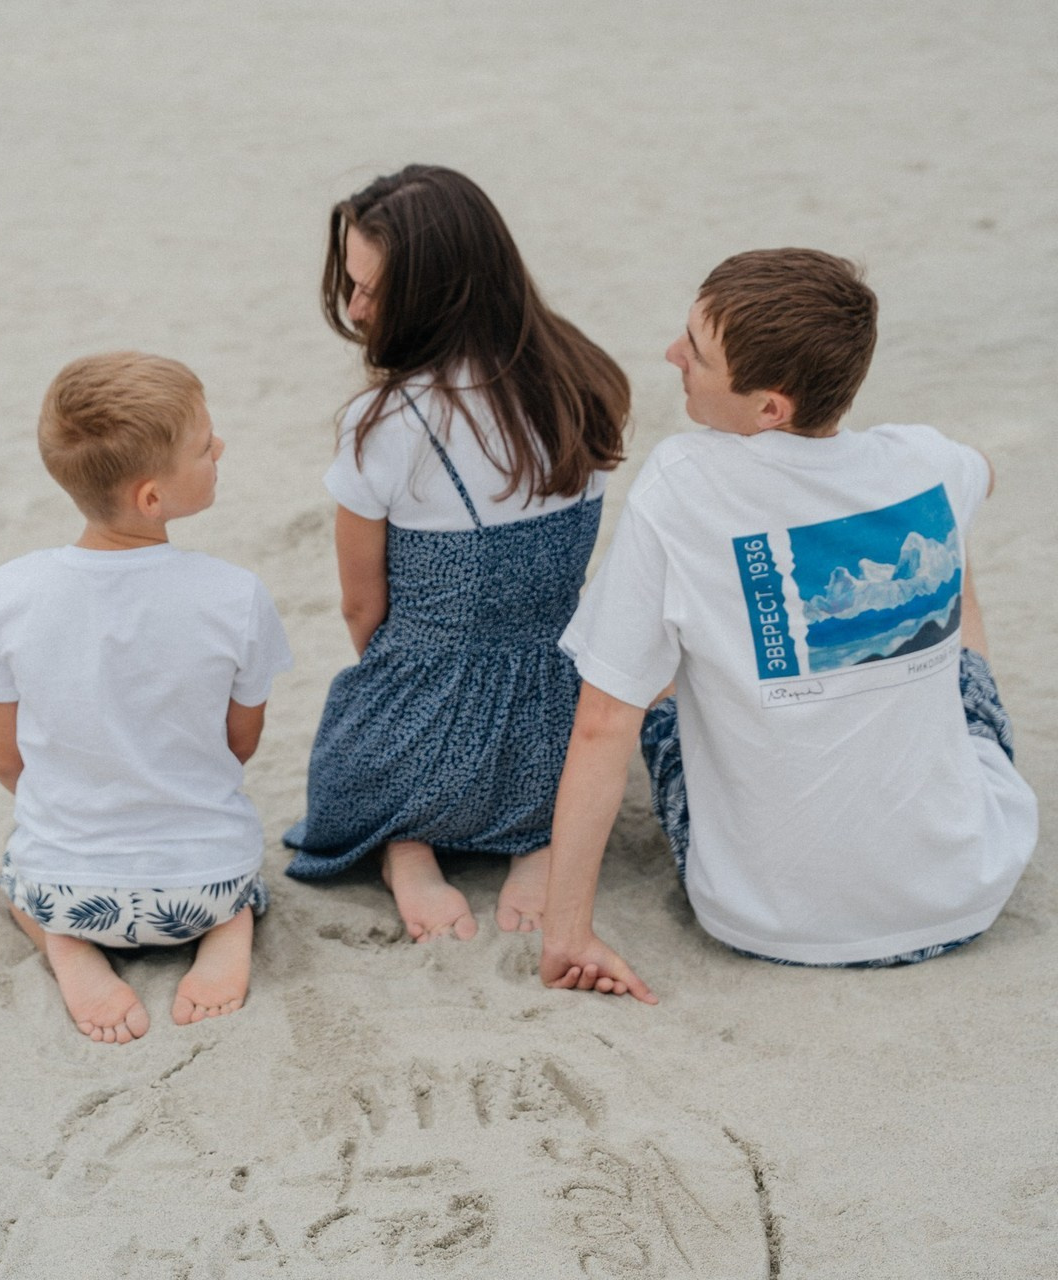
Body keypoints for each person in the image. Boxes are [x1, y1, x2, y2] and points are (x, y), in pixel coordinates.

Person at [541, 249, 1038, 998]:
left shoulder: (683, 484)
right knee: (950, 556)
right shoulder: (926, 460)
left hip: (766, 920)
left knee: (657, 686)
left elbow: (602, 723)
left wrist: (567, 936)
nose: (672, 355)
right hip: (962, 895)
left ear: (771, 408)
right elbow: (983, 474)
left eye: (695, 351)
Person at [284, 165, 631, 942]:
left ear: (437, 296)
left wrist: (410, 701)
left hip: (428, 702)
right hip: (558, 706)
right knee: (544, 763)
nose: (355, 308)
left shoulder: (385, 423)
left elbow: (361, 607)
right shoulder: (584, 378)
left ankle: (406, 846)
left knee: (357, 763)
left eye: (371, 290)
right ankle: (540, 837)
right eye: (352, 285)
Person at [0, 353, 293, 1042]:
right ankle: (228, 931)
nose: (220, 447)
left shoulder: (13, 591)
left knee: (14, 884)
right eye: (204, 446)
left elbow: (2, 756)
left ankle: (69, 949)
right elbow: (240, 743)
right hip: (204, 886)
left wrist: (76, 801)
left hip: (68, 891)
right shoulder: (235, 594)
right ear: (150, 498)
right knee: (243, 881)